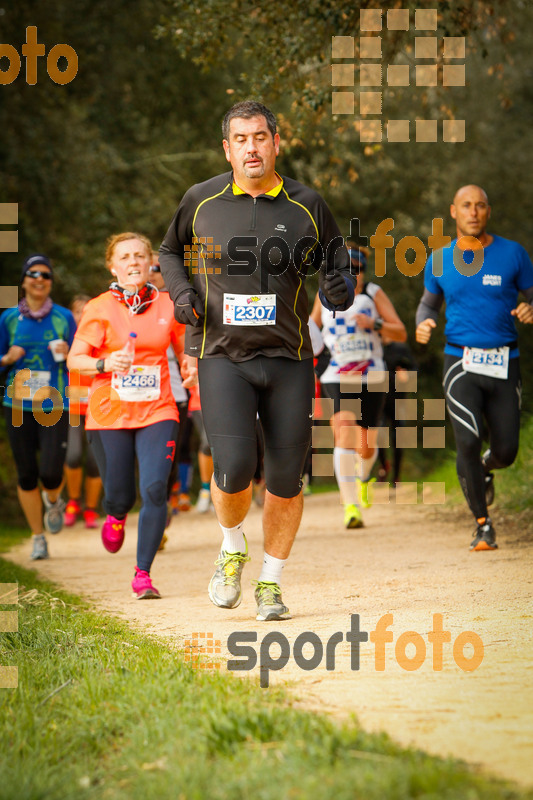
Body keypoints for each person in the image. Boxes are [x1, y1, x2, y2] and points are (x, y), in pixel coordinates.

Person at [159, 100, 357, 621]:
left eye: (260, 137)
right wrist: (181, 295)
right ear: (227, 149)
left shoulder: (306, 204)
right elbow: (168, 253)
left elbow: (336, 265)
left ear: (276, 142)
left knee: (288, 477)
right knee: (235, 467)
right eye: (241, 139)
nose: (251, 147)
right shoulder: (200, 201)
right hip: (222, 354)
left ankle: (270, 582)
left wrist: (340, 288)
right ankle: (230, 547)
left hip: (289, 356)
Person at [67, 232, 189, 598]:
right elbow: (76, 359)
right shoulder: (100, 308)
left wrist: (192, 365)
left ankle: (143, 574)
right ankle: (116, 515)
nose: (133, 262)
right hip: (109, 414)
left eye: (140, 255)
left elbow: (187, 349)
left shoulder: (168, 305)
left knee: (154, 489)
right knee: (119, 495)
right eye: (125, 257)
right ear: (112, 265)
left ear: (151, 262)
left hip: (158, 409)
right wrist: (105, 362)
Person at [415, 184, 533, 551]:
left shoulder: (513, 254)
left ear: (488, 211)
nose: (473, 212)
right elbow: (428, 305)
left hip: (504, 362)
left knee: (507, 451)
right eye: (466, 206)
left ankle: (486, 466)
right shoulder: (439, 259)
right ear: (454, 211)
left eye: (480, 205)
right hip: (460, 362)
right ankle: (483, 525)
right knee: (465, 440)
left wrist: (531, 308)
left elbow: (532, 295)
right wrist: (423, 322)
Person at [311, 247, 407, 528]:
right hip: (336, 373)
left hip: (371, 374)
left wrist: (375, 323)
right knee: (343, 432)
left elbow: (400, 331)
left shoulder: (373, 294)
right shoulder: (324, 295)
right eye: (347, 269)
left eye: (358, 269)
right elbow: (310, 329)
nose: (353, 274)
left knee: (366, 446)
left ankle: (364, 476)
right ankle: (350, 506)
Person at [0, 254, 76, 560]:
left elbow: (81, 357)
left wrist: (69, 351)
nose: (39, 279)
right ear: (23, 281)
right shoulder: (7, 318)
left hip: (54, 402)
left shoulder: (63, 317)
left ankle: (54, 500)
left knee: (51, 472)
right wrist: (7, 359)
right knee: (27, 474)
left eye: (46, 275)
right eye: (33, 274)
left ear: (50, 282)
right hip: (16, 404)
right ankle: (37, 537)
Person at [63, 295, 102, 528]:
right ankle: (73, 502)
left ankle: (90, 509)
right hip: (72, 407)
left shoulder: (101, 339)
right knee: (73, 455)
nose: (81, 315)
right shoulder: (66, 340)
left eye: (86, 311)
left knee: (95, 462)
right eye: (77, 311)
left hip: (98, 407)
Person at [376, 339, 417, 486]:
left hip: (398, 399)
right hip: (378, 398)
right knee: (378, 435)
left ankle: (396, 476)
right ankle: (384, 465)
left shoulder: (400, 348)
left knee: (398, 437)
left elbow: (414, 369)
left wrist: (407, 375)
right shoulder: (374, 345)